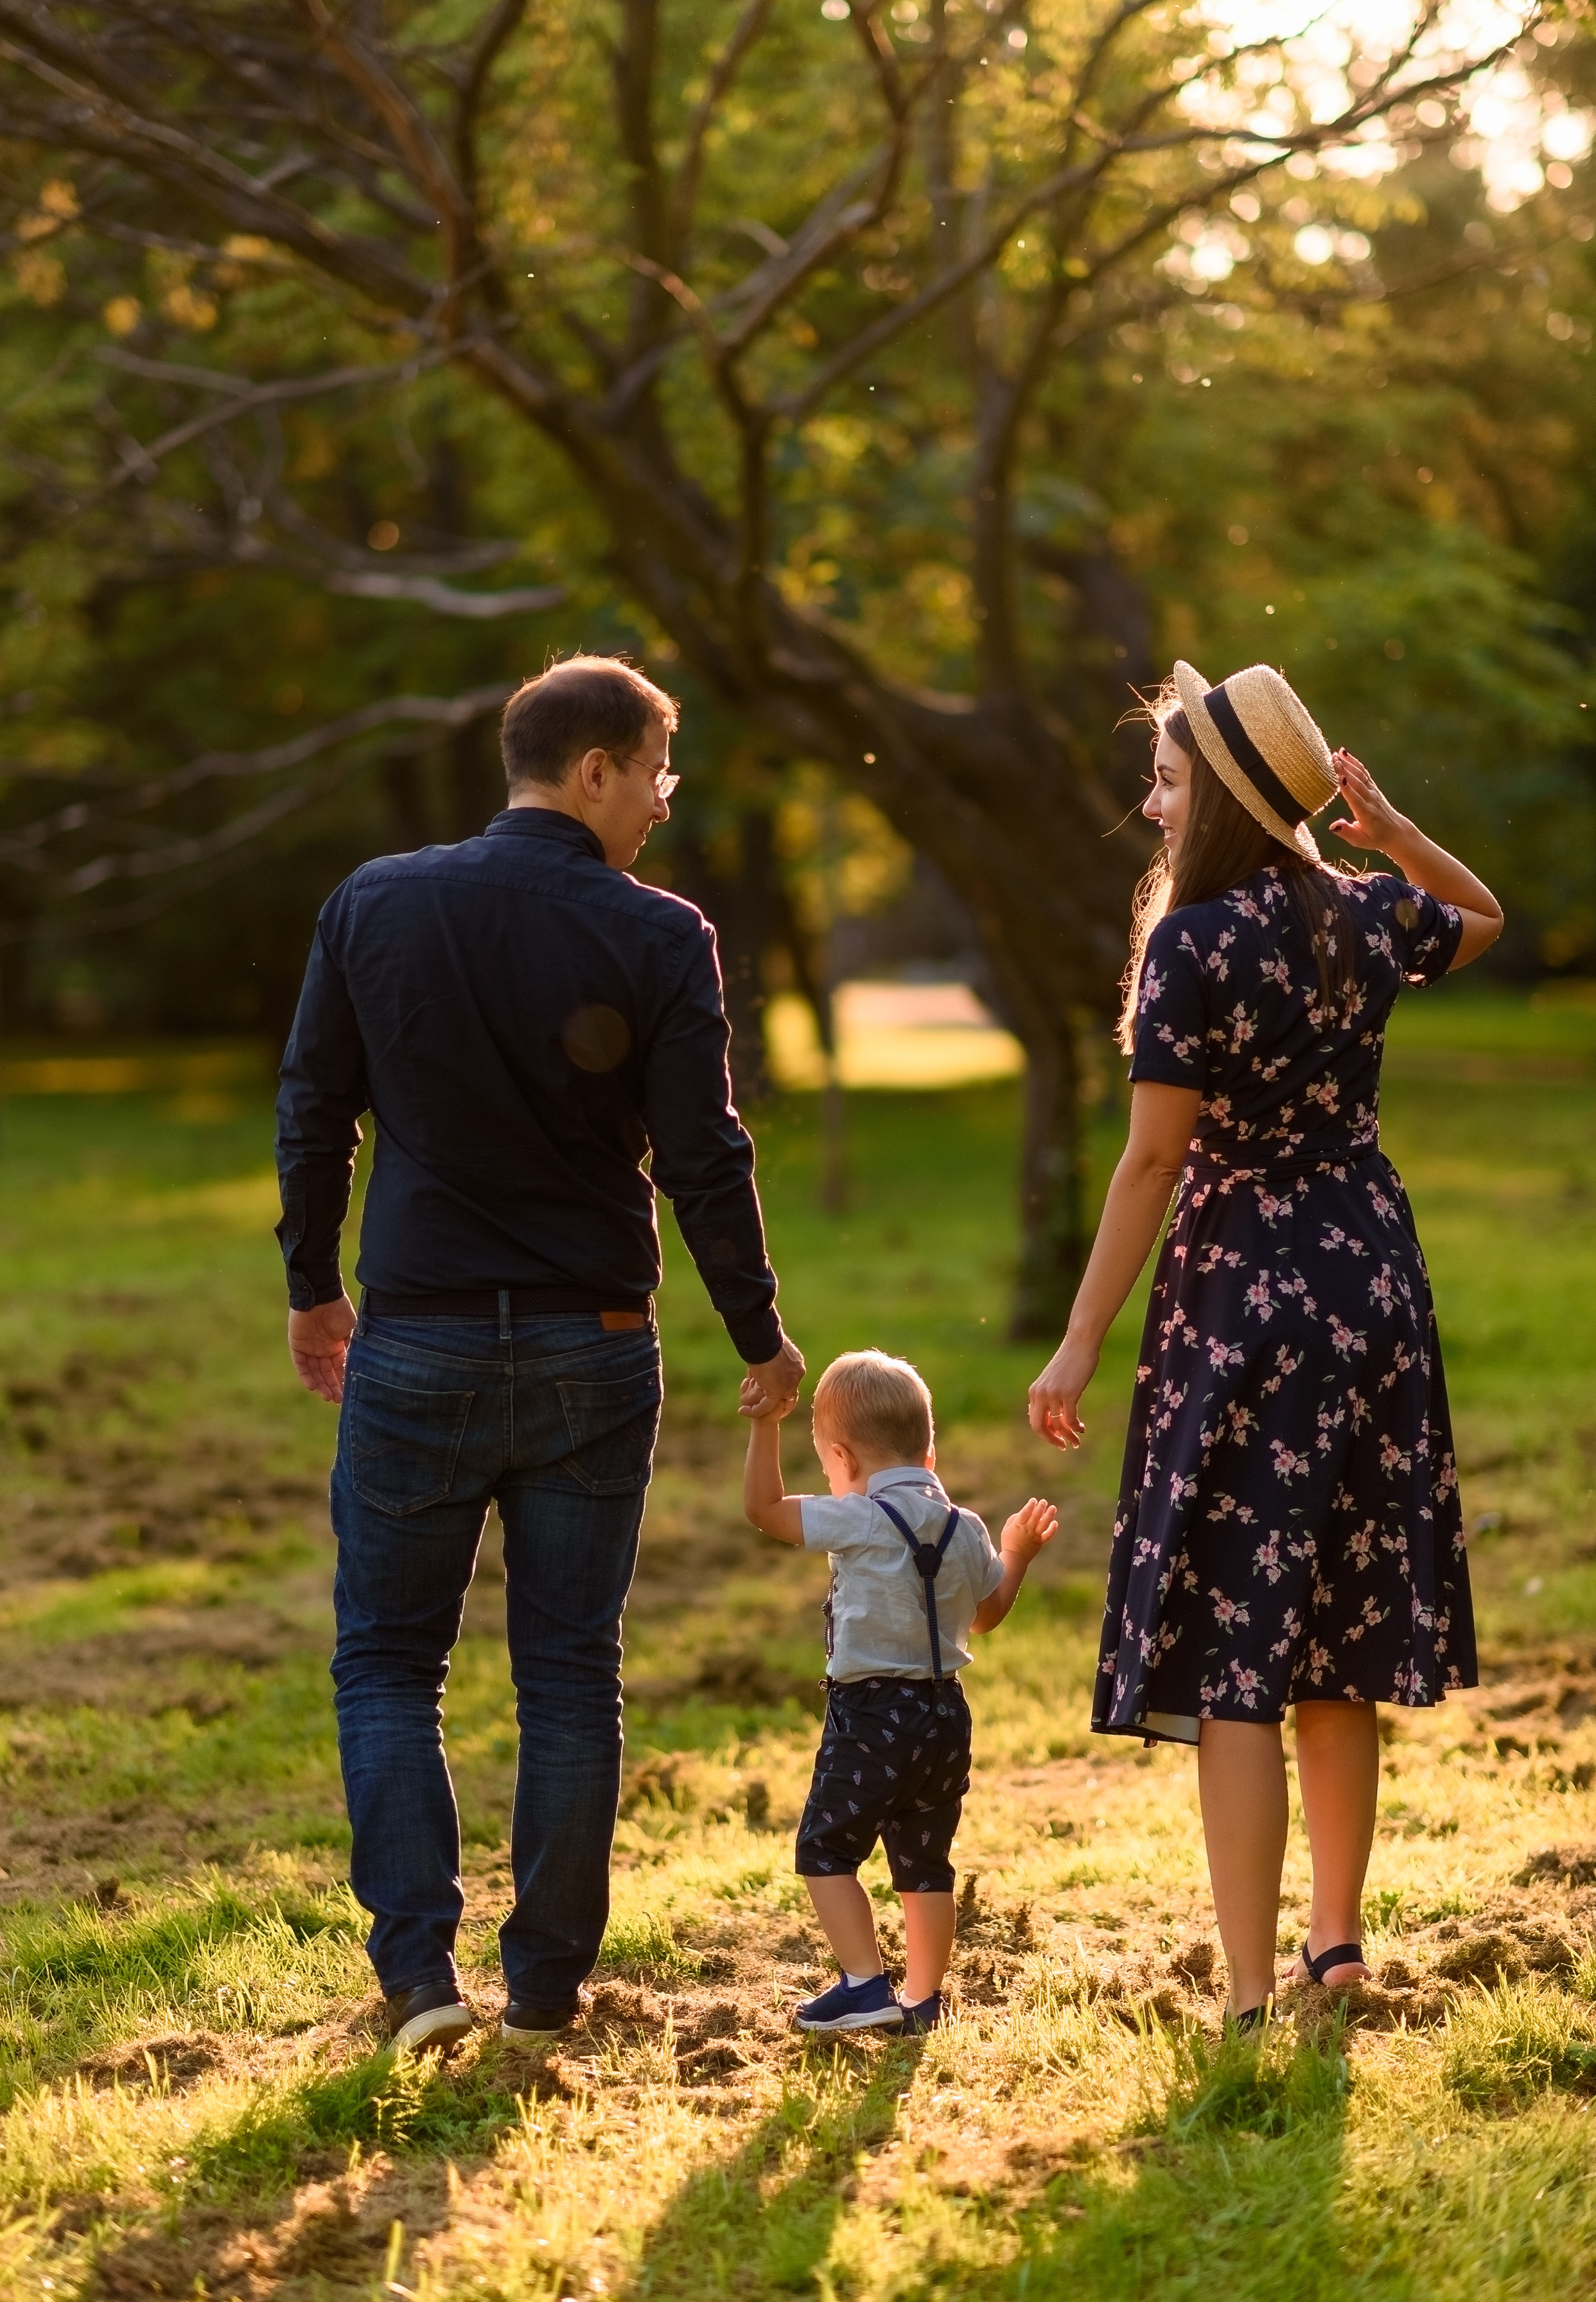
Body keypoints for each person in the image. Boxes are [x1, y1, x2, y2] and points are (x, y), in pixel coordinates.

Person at [276, 654, 804, 2055]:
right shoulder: (661, 933)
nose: (664, 803)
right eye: (656, 775)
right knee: (569, 1669)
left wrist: (313, 1285)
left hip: (418, 1339)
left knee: (389, 1663)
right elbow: (703, 1153)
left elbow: (314, 1106)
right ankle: (547, 1996)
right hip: (596, 1343)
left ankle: (418, 1981)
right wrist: (759, 1332)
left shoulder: (374, 902)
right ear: (593, 770)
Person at [1027, 663, 1503, 2032]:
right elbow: (1480, 918)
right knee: (1339, 1634)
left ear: (1228, 801)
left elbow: (1151, 1160)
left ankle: (1247, 1991)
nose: (1150, 803)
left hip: (1244, 1291)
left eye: (1169, 779)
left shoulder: (1192, 945)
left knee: (1237, 1644)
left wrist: (1075, 1341)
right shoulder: (1365, 911)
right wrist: (1392, 832)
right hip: (1370, 1278)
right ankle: (1334, 1945)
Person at [744, 1348, 1058, 2034]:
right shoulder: (965, 1527)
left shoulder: (857, 1518)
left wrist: (765, 1425)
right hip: (945, 1714)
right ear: (930, 1452)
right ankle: (921, 1999)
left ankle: (864, 1984)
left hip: (871, 1714)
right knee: (924, 1862)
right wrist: (1017, 1555)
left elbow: (764, 1510)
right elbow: (986, 1615)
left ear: (842, 1457)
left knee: (825, 1851)